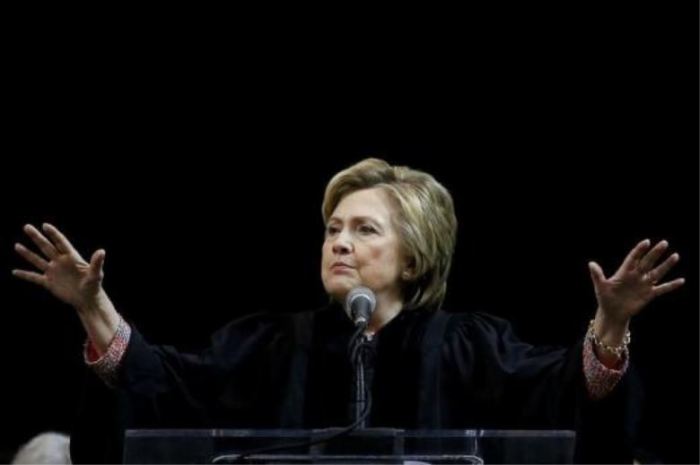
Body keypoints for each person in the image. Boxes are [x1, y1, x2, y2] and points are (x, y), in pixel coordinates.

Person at [13, 158, 684, 463]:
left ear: (415, 256)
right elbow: (163, 386)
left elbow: (567, 393)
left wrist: (612, 325)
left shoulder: (469, 346)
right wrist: (94, 306)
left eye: (365, 229)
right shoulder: (273, 344)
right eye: (333, 228)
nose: (339, 241)